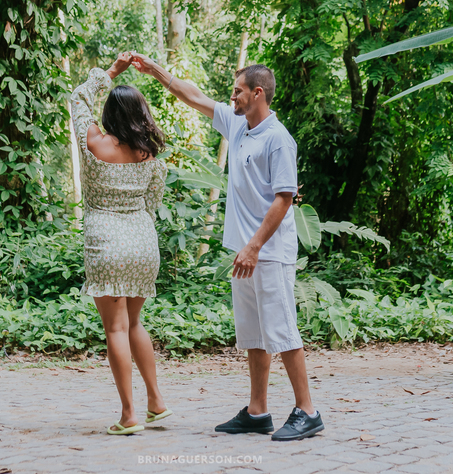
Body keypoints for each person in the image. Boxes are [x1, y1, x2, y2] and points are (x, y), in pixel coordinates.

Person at [129, 54, 324, 441]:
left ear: (257, 93)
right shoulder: (238, 125)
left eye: (237, 91)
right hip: (245, 253)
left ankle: (307, 410)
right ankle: (257, 411)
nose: (230, 96)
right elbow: (193, 96)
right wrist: (156, 71)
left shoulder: (278, 139)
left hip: (268, 252)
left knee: (283, 332)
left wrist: (253, 247)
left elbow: (284, 198)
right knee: (252, 335)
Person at [69, 52, 171, 436]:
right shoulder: (150, 155)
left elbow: (78, 98)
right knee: (135, 324)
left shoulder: (94, 142)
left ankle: (129, 415)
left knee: (115, 328)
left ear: (110, 113)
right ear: (141, 114)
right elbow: (152, 202)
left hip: (107, 243)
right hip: (143, 243)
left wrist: (111, 72)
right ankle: (156, 402)